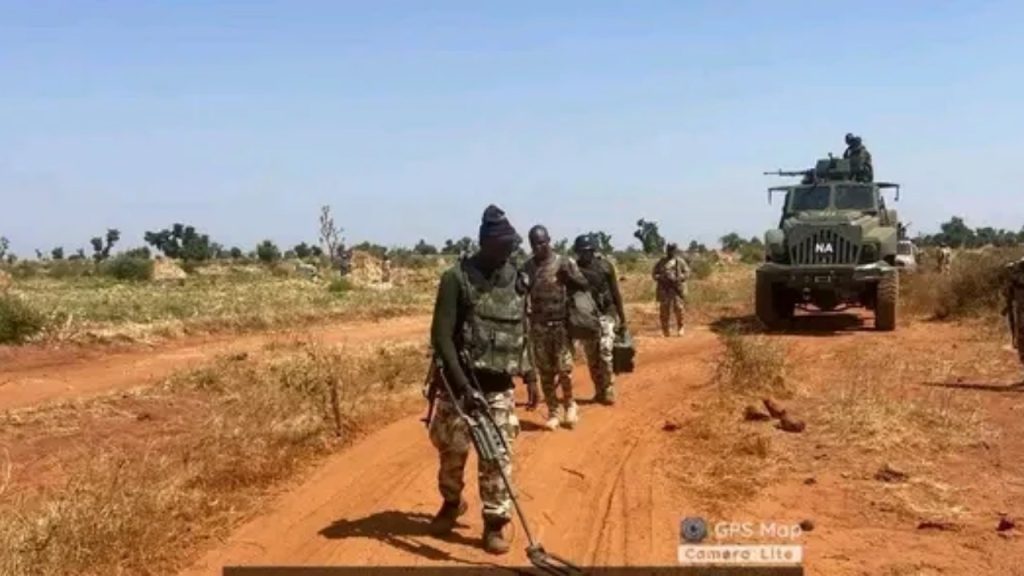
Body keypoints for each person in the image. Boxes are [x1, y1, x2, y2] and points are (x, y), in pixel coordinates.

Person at [427, 204, 527, 554]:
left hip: (498, 387)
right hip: (458, 387)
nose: (510, 252)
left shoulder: (517, 277)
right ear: (485, 242)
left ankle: (495, 522)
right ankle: (452, 504)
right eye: (504, 246)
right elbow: (440, 338)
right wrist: (464, 388)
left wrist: (528, 374)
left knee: (496, 458)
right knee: (451, 455)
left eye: (512, 246)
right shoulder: (456, 279)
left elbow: (520, 328)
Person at [522, 225, 589, 431]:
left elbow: (584, 284)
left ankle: (569, 404)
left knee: (564, 370)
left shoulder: (564, 262)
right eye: (535, 244)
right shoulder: (528, 268)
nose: (539, 247)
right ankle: (553, 411)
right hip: (539, 327)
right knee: (545, 372)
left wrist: (569, 277)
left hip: (561, 325)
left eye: (542, 242)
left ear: (549, 240)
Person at [572, 234, 627, 405]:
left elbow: (616, 293)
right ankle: (598, 390)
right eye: (581, 251)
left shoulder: (605, 266)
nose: (584, 254)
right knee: (592, 356)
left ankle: (609, 388)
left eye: (587, 251)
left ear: (593, 250)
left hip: (607, 313)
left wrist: (622, 318)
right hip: (587, 317)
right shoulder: (574, 270)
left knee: (605, 350)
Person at [652, 243, 691, 337]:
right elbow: (654, 273)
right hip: (665, 289)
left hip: (676, 288)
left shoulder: (680, 261)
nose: (670, 252)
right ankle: (665, 330)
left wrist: (679, 277)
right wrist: (661, 277)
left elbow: (687, 272)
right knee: (664, 310)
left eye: (672, 250)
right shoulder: (661, 262)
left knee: (679, 308)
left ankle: (680, 327)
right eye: (669, 250)